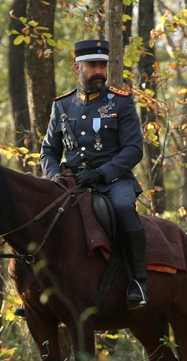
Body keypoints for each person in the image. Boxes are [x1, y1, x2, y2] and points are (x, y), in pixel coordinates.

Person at [25, 39, 148, 313]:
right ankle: (35, 289)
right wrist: (55, 177)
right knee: (39, 216)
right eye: (93, 65)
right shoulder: (62, 105)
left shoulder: (121, 103)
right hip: (71, 183)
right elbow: (48, 151)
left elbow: (133, 150)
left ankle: (138, 283)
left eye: (103, 66)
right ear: (76, 67)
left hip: (114, 182)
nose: (99, 71)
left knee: (123, 208)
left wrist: (102, 173)